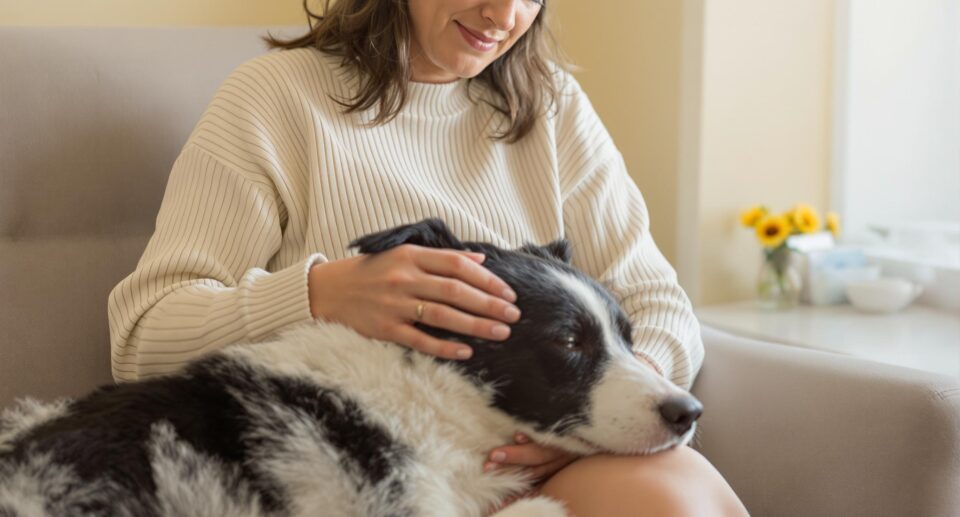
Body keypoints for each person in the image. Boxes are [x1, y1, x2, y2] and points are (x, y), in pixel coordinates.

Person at [107, 0, 749, 514]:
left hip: (542, 470)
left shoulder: (552, 108)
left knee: (676, 493)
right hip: (364, 473)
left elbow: (659, 302)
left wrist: (598, 411)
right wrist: (322, 293)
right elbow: (141, 337)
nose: (504, 15)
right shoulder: (274, 100)